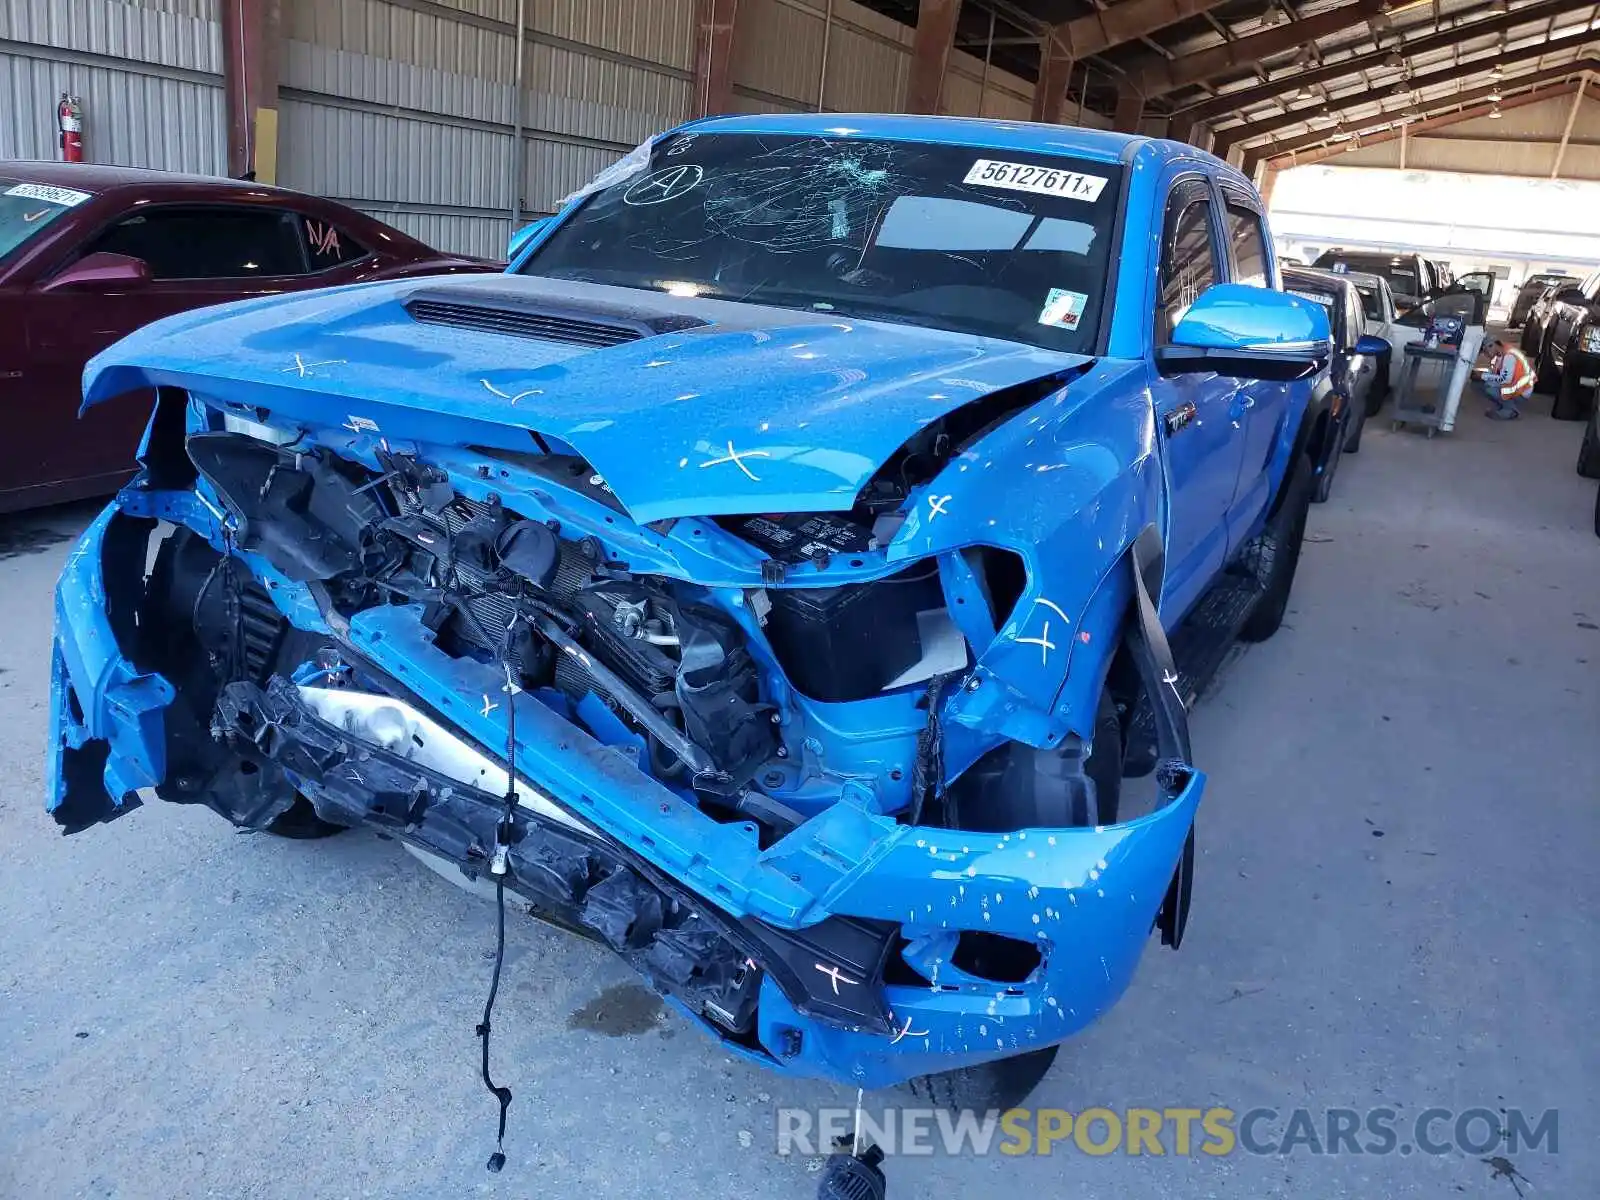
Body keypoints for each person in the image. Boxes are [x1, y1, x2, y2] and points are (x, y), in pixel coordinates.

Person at [1479, 339, 1534, 420]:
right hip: (1516, 385)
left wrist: (1484, 376)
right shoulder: (1501, 354)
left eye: (1485, 351)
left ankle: (1510, 410)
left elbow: (1505, 379)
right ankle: (1504, 403)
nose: (1485, 355)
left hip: (1522, 390)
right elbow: (1496, 373)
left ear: (1492, 345)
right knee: (1483, 384)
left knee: (1490, 389)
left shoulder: (1509, 356)